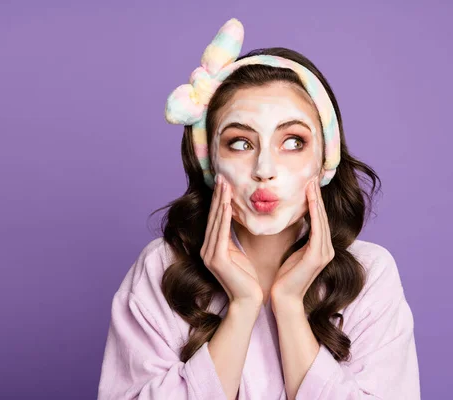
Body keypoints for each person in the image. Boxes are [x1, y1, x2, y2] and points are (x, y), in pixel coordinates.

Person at [97, 18, 420, 400]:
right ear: (209, 163)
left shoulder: (370, 274)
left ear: (324, 160)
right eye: (240, 143)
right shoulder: (161, 269)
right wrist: (242, 306)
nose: (264, 170)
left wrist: (288, 307)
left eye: (293, 142)